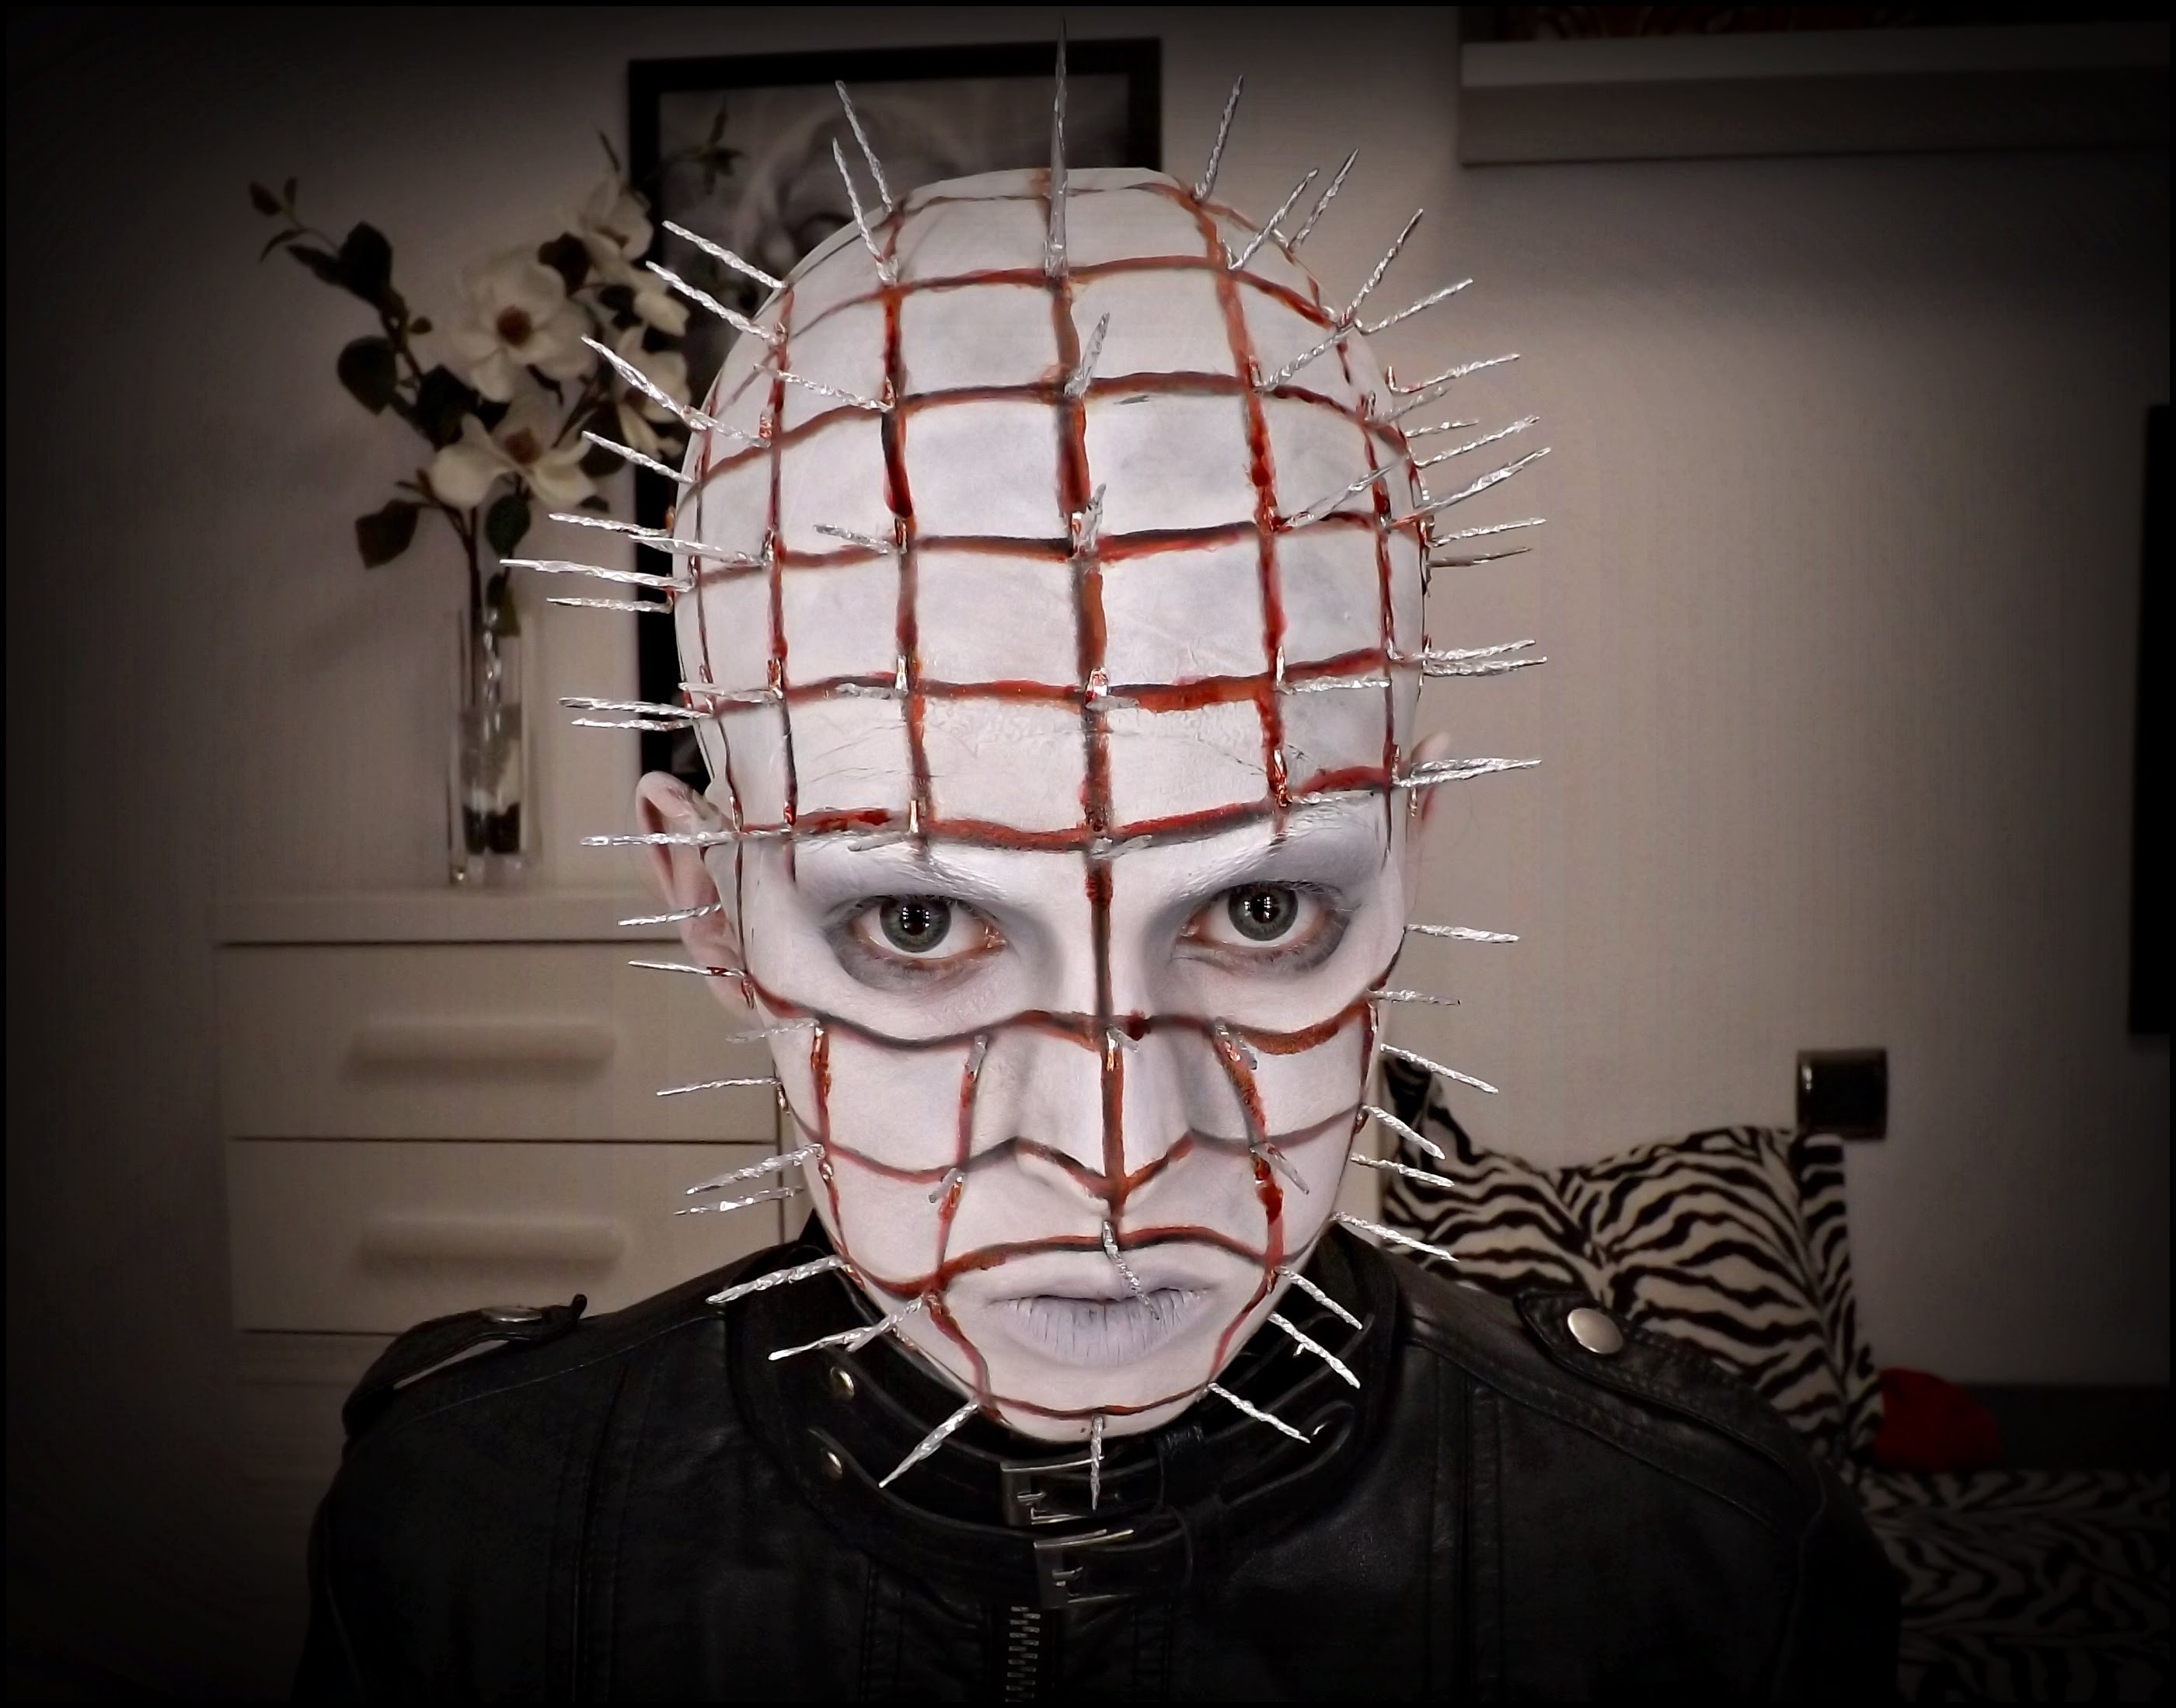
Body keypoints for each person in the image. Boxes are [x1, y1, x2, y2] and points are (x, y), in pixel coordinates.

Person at [295, 67, 1899, 1700]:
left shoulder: (1703, 1580)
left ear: (1405, 858)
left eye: (1258, 909)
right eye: (919, 921)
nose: (1116, 1153)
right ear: (714, 910)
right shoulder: (459, 1555)